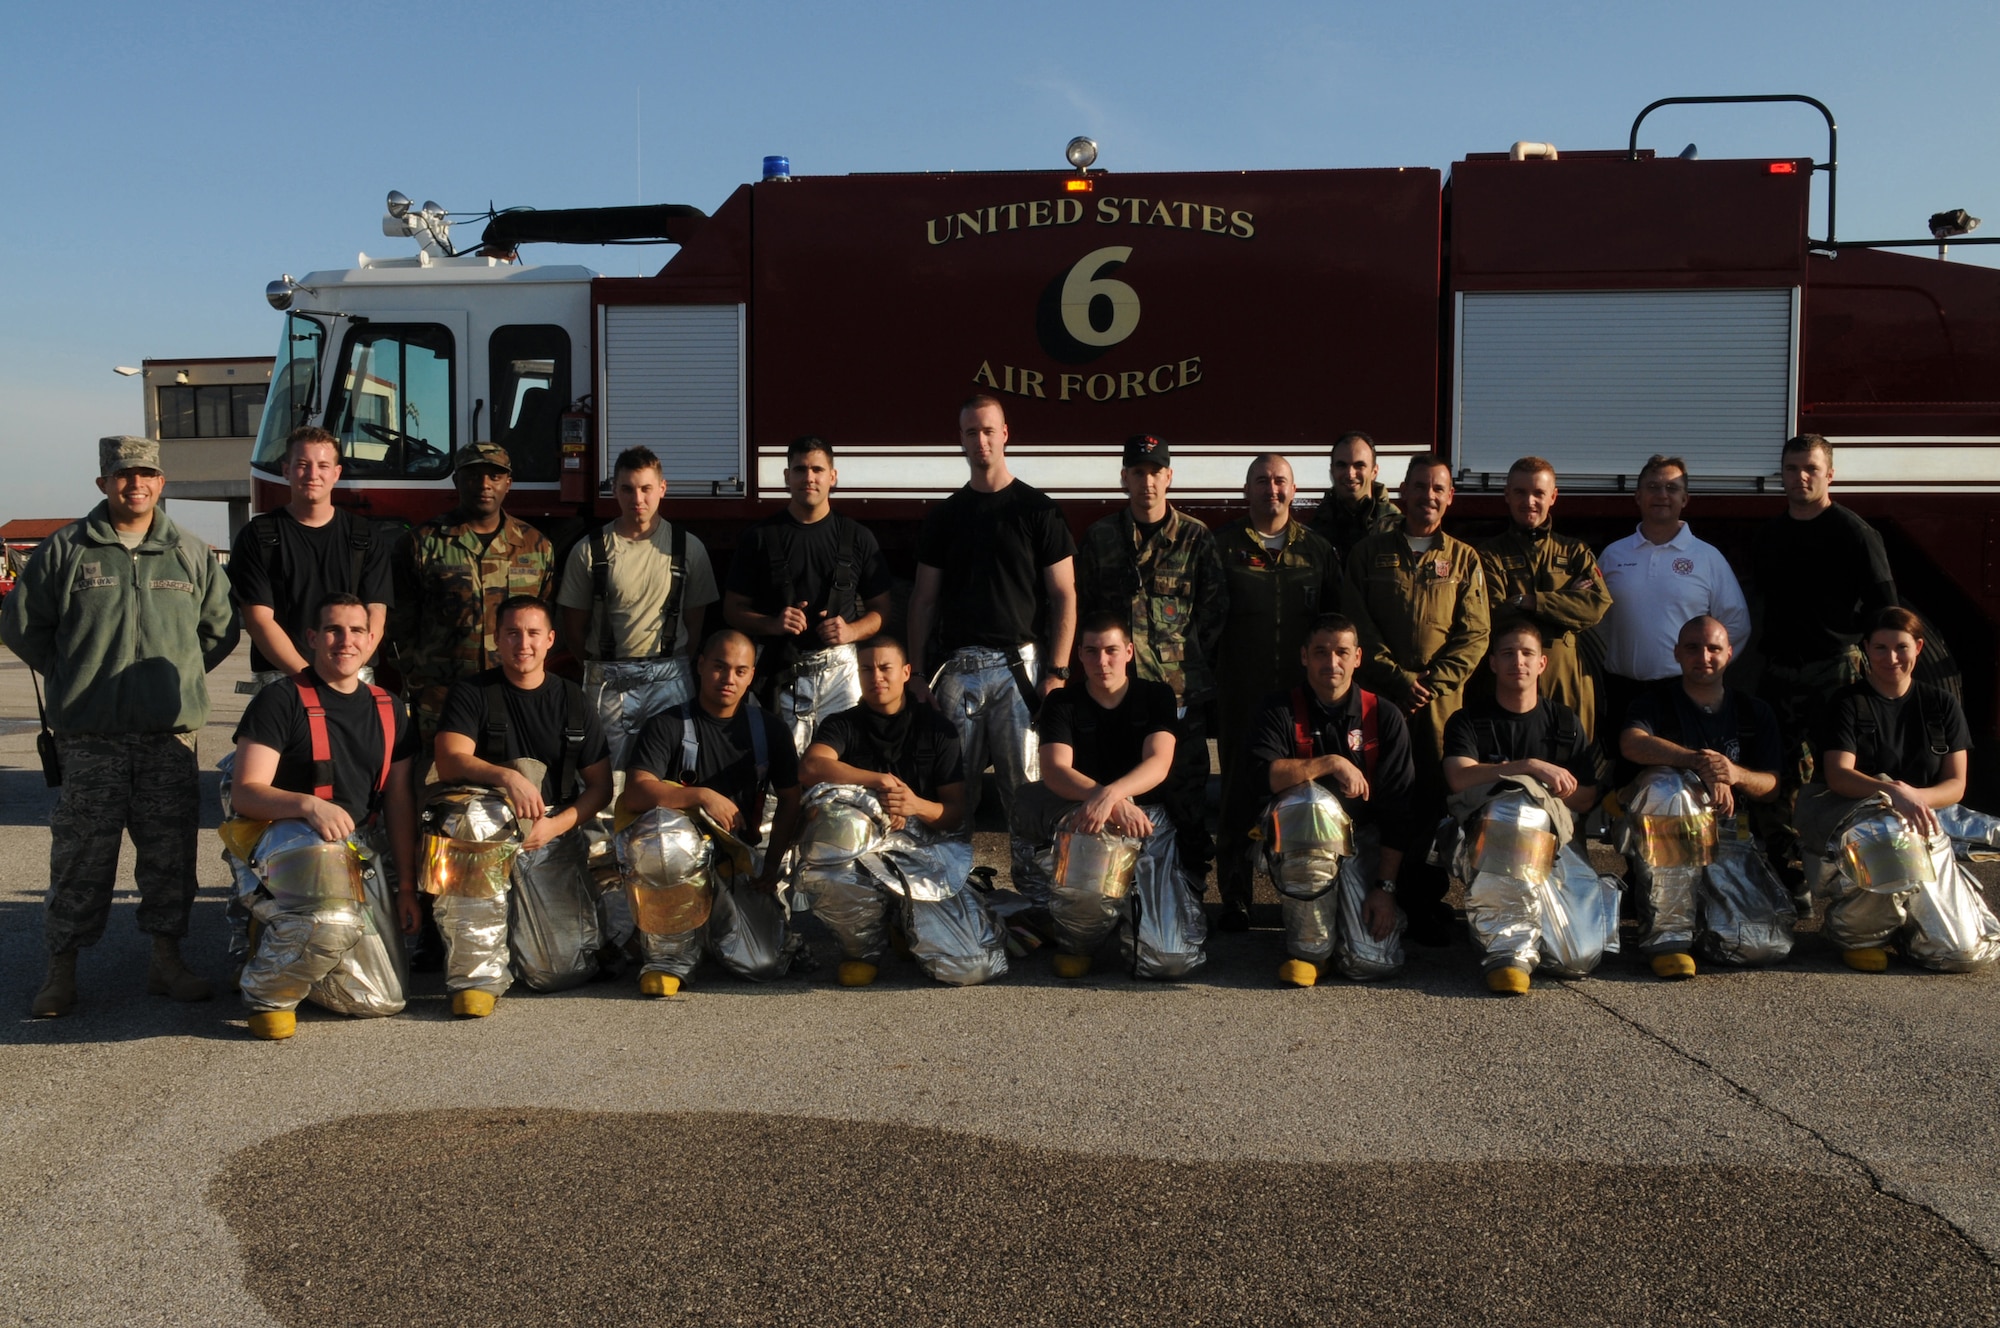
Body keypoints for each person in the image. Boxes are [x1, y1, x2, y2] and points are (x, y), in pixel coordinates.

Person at [4, 436, 238, 1018]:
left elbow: (219, 629)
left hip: (168, 738)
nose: (135, 486)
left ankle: (167, 961)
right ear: (103, 483)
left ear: (162, 483)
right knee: (81, 857)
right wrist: (72, 676)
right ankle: (61, 969)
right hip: (90, 739)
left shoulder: (188, 551)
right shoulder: (66, 550)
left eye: (147, 475)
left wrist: (180, 677)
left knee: (169, 856)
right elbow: (23, 625)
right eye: (123, 476)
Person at [230, 594, 421, 1039]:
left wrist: (407, 887)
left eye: (356, 631)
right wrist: (308, 804)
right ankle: (267, 991)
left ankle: (294, 943)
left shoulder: (390, 708)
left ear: (372, 640)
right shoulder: (281, 700)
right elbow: (246, 792)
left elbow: (398, 802)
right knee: (332, 924)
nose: (345, 641)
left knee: (381, 999)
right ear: (312, 638)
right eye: (333, 630)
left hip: (357, 848)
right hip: (290, 840)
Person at [907, 395, 1077, 896]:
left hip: (1019, 668)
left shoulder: (1037, 510)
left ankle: (1039, 899)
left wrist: (1058, 673)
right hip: (957, 667)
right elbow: (922, 600)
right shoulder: (946, 517)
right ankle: (950, 892)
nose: (979, 442)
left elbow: (1064, 594)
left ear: (1006, 434)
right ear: (959, 439)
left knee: (1026, 792)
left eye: (987, 431)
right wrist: (916, 674)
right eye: (969, 433)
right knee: (953, 788)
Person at [430, 595, 613, 1015]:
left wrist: (558, 825)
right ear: (497, 640)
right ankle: (475, 978)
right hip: (489, 827)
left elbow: (600, 788)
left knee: (556, 973)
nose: (522, 644)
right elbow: (449, 759)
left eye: (533, 634)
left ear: (551, 640)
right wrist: (506, 776)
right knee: (471, 821)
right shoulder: (473, 692)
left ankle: (520, 942)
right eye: (512, 633)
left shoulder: (574, 700)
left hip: (549, 831)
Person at [1798, 608, 2000, 973]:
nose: (1891, 658)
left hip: (1921, 823)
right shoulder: (1847, 703)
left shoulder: (1942, 705)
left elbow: (1956, 785)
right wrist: (1894, 793)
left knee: (1957, 955)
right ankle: (1856, 935)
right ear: (1865, 650)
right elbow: (1839, 775)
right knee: (1890, 832)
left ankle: (1909, 930)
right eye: (1880, 648)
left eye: (1901, 647)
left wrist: (1916, 798)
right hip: (1855, 824)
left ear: (1919, 647)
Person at [1343, 454, 1491, 944]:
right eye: (1420, 487)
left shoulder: (1465, 559)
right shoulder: (1367, 553)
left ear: (1450, 497)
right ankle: (1374, 892)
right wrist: (1395, 677)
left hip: (1438, 710)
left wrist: (1432, 683)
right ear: (1401, 492)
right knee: (1380, 796)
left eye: (1438, 489)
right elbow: (1357, 623)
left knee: (1431, 802)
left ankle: (1422, 901)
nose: (1428, 496)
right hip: (1381, 703)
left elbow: (1475, 635)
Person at [1011, 613, 1205, 979]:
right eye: (1092, 652)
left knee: (1168, 961)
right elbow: (1055, 770)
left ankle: (1132, 916)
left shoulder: (1156, 695)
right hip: (1086, 817)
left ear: (1129, 652)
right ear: (1079, 657)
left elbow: (1159, 762)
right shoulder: (1061, 703)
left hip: (1146, 819)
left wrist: (1115, 794)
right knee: (1091, 860)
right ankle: (1076, 939)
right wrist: (1108, 802)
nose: (1102, 662)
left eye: (1112, 651)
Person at [1751, 434, 1899, 907]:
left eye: (1811, 468)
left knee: (1839, 775)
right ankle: (1783, 871)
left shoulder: (1854, 533)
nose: (1801, 477)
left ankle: (1849, 880)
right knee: (1773, 773)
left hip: (1834, 672)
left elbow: (1884, 609)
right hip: (1779, 673)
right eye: (1792, 469)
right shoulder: (1770, 535)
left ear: (1829, 474)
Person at [1073, 433, 1228, 881]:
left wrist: (1186, 666)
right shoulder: (1101, 537)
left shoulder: (1195, 538)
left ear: (1170, 477)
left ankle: (1192, 885)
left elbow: (1213, 612)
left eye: (1156, 472)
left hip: (1177, 694)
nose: (1148, 482)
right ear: (1124, 479)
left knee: (1186, 794)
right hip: (1117, 693)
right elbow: (1086, 609)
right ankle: (1123, 889)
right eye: (1138, 473)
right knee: (1121, 790)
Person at [799, 635, 991, 988]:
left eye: (886, 668)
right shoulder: (842, 724)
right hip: (863, 852)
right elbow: (811, 768)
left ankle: (906, 924)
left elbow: (954, 814)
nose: (877, 678)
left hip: (925, 854)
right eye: (867, 669)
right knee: (827, 846)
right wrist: (880, 782)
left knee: (970, 967)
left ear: (906, 673)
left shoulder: (938, 729)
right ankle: (862, 949)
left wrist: (915, 805)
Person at [618, 630, 803, 994]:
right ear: (700, 665)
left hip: (736, 864)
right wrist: (699, 795)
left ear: (751, 675)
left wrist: (772, 866)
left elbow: (791, 800)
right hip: (676, 864)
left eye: (739, 671)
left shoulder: (771, 730)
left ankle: (708, 933)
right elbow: (636, 793)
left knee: (763, 964)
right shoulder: (667, 725)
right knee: (666, 841)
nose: (728, 679)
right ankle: (667, 960)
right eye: (719, 667)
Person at [1616, 615, 1788, 979]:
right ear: (1677, 653)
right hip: (1670, 832)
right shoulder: (1654, 703)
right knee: (1668, 787)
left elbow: (1771, 787)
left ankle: (1701, 919)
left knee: (1760, 945)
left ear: (1730, 653)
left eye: (1713, 648)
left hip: (1730, 836)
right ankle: (1668, 937)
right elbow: (1632, 743)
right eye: (1692, 648)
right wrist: (1697, 763)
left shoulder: (1754, 712)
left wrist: (1733, 773)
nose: (1703, 656)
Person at [1248, 613, 1415, 987]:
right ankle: (1310, 951)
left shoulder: (1384, 715)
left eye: (1342, 652)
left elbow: (1399, 810)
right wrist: (1331, 763)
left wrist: (1384, 889)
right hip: (1299, 840)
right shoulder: (1279, 709)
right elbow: (1266, 776)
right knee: (1312, 807)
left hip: (1362, 844)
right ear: (1304, 656)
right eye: (1321, 652)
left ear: (1358, 657)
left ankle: (1353, 922)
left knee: (1372, 964)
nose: (1332, 662)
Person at [1212, 454, 1342, 929]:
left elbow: (1334, 626)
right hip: (1240, 693)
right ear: (1246, 491)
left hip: (1299, 699)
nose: (1272, 489)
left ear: (1294, 489)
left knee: (1303, 792)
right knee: (1237, 795)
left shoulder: (1317, 551)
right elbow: (1206, 624)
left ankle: (1305, 893)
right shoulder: (1222, 547)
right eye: (1262, 481)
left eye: (1281, 481)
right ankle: (1234, 897)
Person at [1442, 622, 1605, 994]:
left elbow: (1586, 798)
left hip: (1554, 848)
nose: (1519, 661)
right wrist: (1528, 768)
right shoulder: (1469, 720)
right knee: (1515, 809)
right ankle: (1506, 954)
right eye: (1508, 653)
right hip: (1482, 845)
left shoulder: (1565, 723)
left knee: (1575, 958)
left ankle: (1497, 925)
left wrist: (1545, 790)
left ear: (1543, 663)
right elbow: (1458, 777)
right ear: (1493, 663)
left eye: (1527, 653)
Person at [723, 436, 892, 755]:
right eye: (800, 469)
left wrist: (851, 630)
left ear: (833, 476)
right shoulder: (758, 538)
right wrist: (773, 623)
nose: (809, 477)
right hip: (780, 674)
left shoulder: (858, 537)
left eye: (817, 469)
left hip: (841, 677)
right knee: (779, 778)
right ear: (787, 477)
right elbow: (732, 610)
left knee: (844, 770)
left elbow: (882, 609)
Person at [557, 445, 720, 767]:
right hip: (606, 681)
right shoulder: (589, 551)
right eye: (628, 489)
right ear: (613, 490)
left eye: (646, 489)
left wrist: (670, 668)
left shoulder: (688, 548)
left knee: (674, 774)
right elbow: (573, 627)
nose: (638, 499)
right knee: (606, 782)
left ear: (662, 488)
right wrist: (599, 668)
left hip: (670, 677)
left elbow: (696, 623)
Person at [387, 442, 556, 748]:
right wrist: (417, 675)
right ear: (456, 481)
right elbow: (397, 619)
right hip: (442, 696)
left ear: (508, 483)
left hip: (512, 693)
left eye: (494, 476)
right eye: (473, 476)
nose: (484, 485)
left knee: (515, 778)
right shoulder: (421, 543)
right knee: (437, 784)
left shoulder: (536, 546)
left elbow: (544, 616)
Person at [1596, 455, 1751, 745]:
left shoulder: (1707, 557)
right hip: (1622, 691)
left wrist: (1706, 674)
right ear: (1638, 496)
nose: (1662, 495)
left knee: (1685, 779)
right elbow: (1599, 622)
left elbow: (1735, 623)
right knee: (1626, 780)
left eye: (1672, 487)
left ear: (1685, 498)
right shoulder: (1614, 555)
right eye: (1653, 487)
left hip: (1684, 692)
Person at [228, 426, 392, 689]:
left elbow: (376, 614)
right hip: (281, 679)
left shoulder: (366, 538)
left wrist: (344, 670)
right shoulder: (257, 537)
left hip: (353, 678)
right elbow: (258, 620)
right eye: (302, 464)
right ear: (286, 470)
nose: (313, 474)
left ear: (337, 473)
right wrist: (309, 677)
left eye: (323, 465)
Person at [1474, 457, 1613, 741]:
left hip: (1565, 677)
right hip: (1512, 676)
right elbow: (1496, 612)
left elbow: (1595, 606)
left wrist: (1529, 601)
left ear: (1553, 497)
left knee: (1572, 764)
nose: (1530, 501)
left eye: (1538, 493)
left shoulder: (1575, 552)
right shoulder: (1489, 554)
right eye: (1521, 492)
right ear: (1507, 495)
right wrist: (1565, 603)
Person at [1308, 431, 1403, 560]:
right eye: (1342, 465)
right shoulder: (1313, 533)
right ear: (1332, 471)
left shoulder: (1398, 529)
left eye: (1359, 465)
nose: (1350, 474)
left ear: (1374, 472)